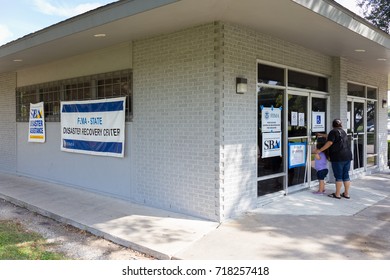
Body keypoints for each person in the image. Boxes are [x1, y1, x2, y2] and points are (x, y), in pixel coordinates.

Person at [315, 119, 352, 199]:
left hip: (338, 157)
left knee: (338, 176)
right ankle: (346, 193)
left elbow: (330, 142)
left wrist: (320, 150)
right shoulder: (343, 132)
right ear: (341, 125)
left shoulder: (333, 131)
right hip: (347, 156)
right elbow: (330, 136)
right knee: (346, 175)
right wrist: (321, 134)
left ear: (333, 125)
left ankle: (337, 194)